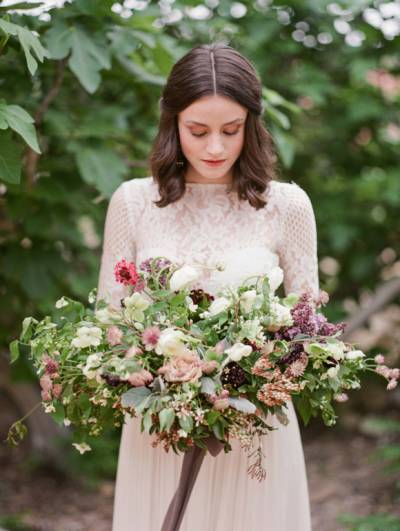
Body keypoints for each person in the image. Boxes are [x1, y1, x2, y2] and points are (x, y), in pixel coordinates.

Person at [97, 42, 318, 531]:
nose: (215, 147)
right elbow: (109, 322)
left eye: (231, 130)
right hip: (160, 423)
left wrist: (257, 373)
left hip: (256, 424)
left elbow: (309, 330)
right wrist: (162, 374)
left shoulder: (288, 205)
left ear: (252, 126)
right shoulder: (134, 202)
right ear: (173, 124)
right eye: (198, 131)